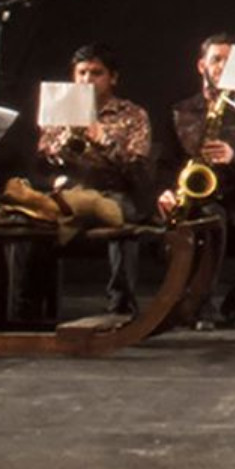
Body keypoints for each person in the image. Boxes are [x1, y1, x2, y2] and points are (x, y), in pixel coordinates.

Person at [4, 43, 153, 320]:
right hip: (71, 191)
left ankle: (121, 306)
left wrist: (104, 141)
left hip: (114, 190)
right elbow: (40, 163)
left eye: (96, 73)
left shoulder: (133, 114)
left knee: (120, 221)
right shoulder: (59, 109)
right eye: (82, 73)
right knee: (31, 221)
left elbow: (138, 171)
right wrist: (60, 152)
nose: (87, 80)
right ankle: (26, 308)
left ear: (113, 78)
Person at [155, 34, 235, 328]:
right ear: (201, 65)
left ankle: (233, 306)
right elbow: (165, 165)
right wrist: (165, 192)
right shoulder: (180, 111)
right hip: (194, 205)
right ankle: (199, 306)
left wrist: (234, 156)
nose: (222, 66)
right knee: (211, 221)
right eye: (216, 59)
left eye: (229, 60)